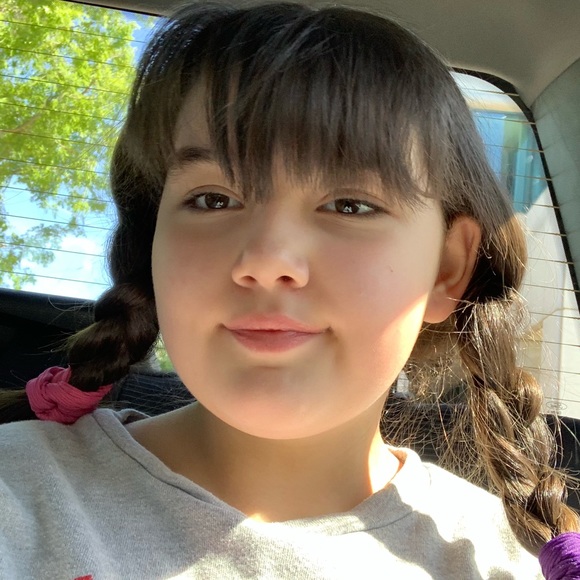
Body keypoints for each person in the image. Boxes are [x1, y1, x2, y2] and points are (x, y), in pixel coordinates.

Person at [0, 2, 578, 578]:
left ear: (446, 269)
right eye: (212, 199)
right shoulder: (17, 493)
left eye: (350, 205)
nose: (266, 261)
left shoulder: (509, 564)